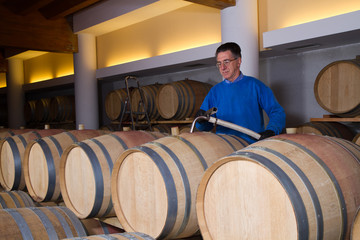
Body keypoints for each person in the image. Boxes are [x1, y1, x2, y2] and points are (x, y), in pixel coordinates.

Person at [195, 42, 285, 143]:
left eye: (226, 61)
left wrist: (271, 130)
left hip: (251, 149)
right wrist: (201, 121)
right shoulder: (214, 92)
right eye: (219, 63)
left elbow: (277, 112)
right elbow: (206, 127)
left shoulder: (255, 86)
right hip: (224, 150)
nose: (222, 67)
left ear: (238, 61)